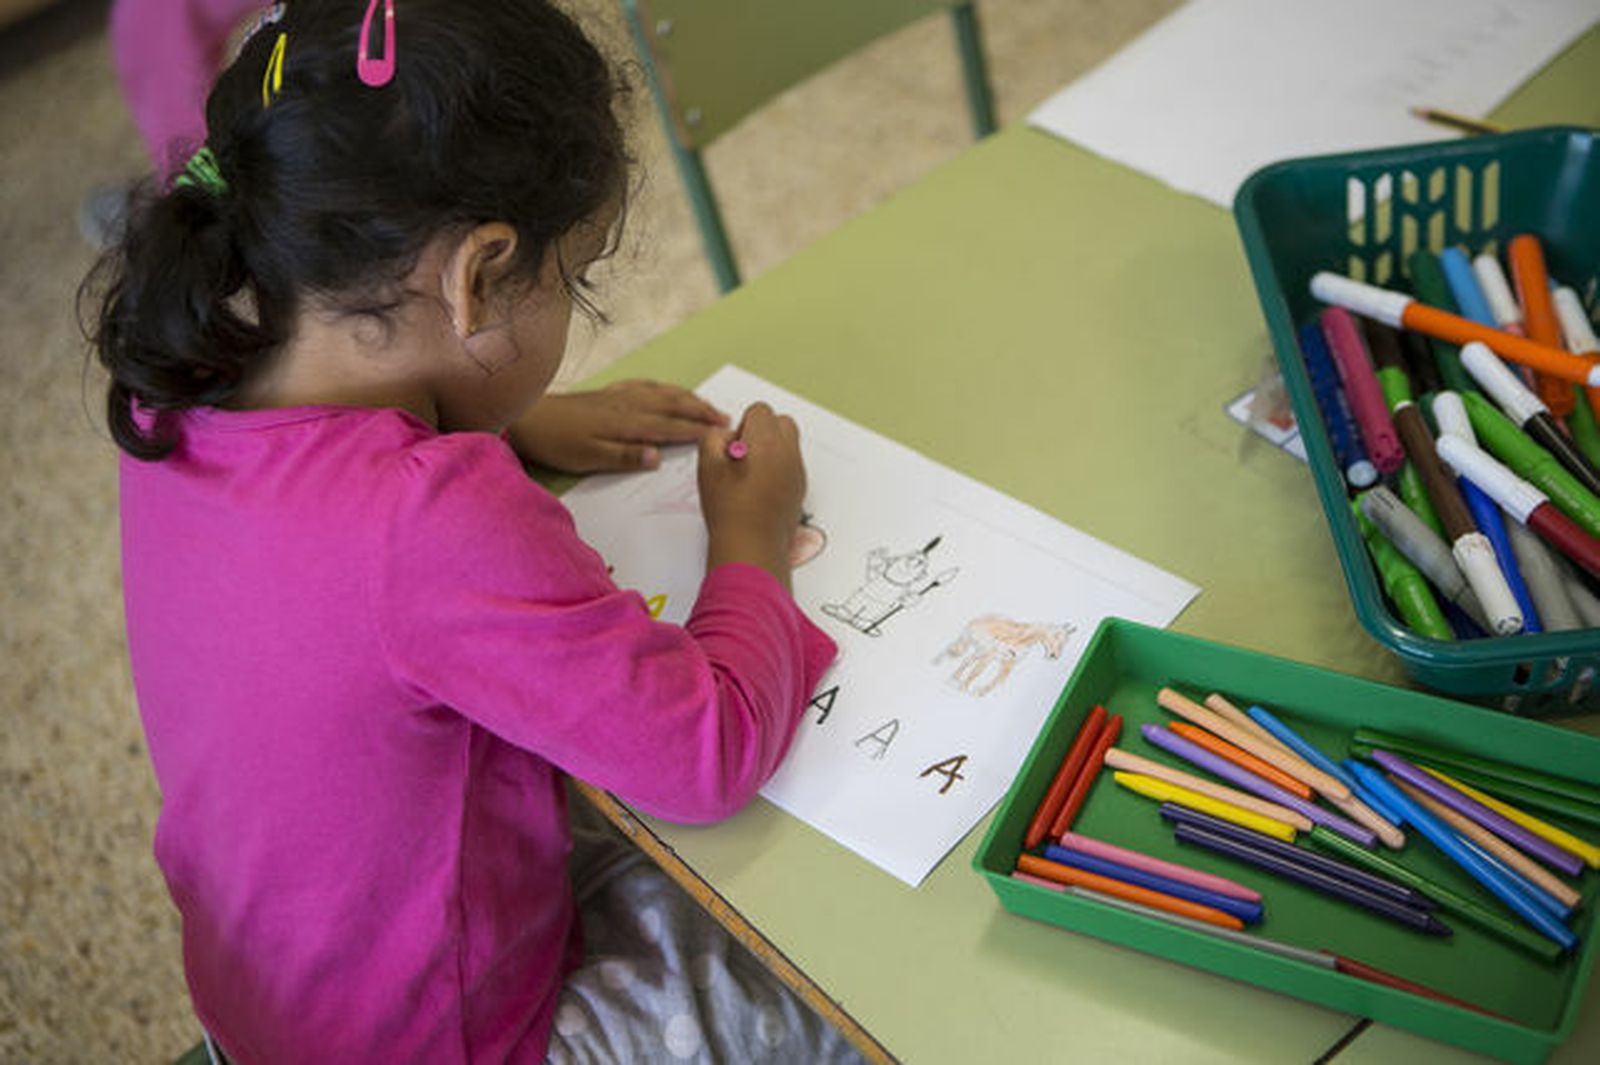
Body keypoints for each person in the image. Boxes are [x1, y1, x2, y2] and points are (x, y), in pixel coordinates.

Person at [85, 2, 860, 1061]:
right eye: (570, 279)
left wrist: (518, 415)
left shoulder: (177, 373)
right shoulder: (431, 513)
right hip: (453, 1040)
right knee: (830, 992)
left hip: (272, 1010)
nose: (573, 301)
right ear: (478, 275)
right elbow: (706, 752)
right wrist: (750, 539)